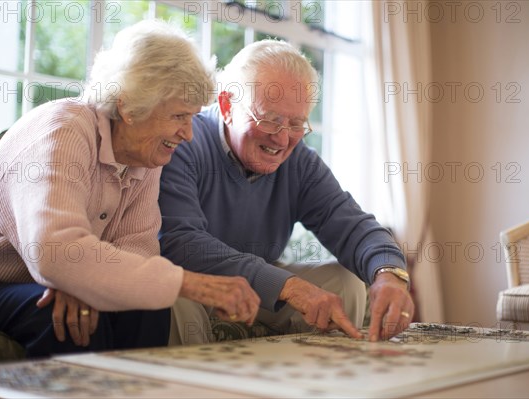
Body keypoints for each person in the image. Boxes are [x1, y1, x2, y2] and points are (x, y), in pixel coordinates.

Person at [0, 20, 260, 358]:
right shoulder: (63, 130)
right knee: (62, 319)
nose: (187, 134)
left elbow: (137, 253)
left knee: (147, 306)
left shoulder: (143, 155)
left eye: (192, 117)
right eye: (178, 116)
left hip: (44, 276)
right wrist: (195, 285)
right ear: (128, 106)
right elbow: (55, 251)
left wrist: (85, 280)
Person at [159, 40, 414, 345]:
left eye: (296, 123)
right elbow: (181, 243)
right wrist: (288, 286)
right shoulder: (185, 141)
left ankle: (318, 388)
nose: (282, 139)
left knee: (344, 282)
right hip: (196, 285)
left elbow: (351, 224)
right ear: (227, 106)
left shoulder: (299, 162)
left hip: (258, 288)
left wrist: (390, 274)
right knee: (173, 296)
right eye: (270, 119)